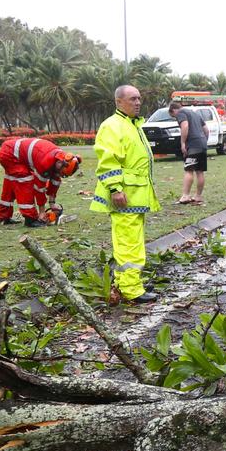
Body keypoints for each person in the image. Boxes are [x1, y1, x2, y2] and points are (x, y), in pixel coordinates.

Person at [90, 85, 161, 304]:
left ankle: (131, 282)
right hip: (125, 196)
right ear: (119, 102)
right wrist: (115, 189)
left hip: (135, 195)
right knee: (127, 244)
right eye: (132, 99)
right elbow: (108, 159)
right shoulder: (113, 126)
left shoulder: (131, 124)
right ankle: (130, 289)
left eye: (139, 98)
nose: (138, 102)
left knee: (133, 242)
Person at [0, 136, 82, 227]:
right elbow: (39, 189)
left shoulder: (59, 158)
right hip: (10, 154)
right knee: (25, 182)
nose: (60, 175)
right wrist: (42, 212)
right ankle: (30, 219)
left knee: (10, 185)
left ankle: (2, 217)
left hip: (10, 152)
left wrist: (52, 204)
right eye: (61, 173)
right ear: (61, 164)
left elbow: (55, 182)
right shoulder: (45, 163)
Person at [169, 101, 207, 205]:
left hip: (193, 144)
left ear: (173, 110)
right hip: (202, 143)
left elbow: (185, 126)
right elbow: (206, 129)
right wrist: (204, 140)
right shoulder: (195, 113)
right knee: (199, 171)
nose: (175, 118)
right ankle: (198, 196)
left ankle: (186, 196)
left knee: (189, 169)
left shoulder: (180, 113)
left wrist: (182, 143)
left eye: (173, 116)